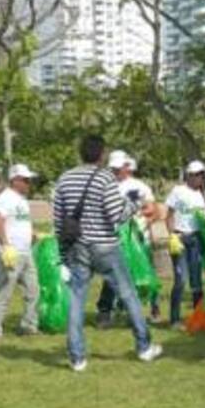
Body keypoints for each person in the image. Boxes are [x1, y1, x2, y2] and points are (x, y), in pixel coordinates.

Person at [52, 133, 162, 371]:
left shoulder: (65, 179)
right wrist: (135, 203)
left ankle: (77, 357)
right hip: (105, 245)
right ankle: (143, 347)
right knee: (127, 294)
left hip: (77, 246)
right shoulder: (104, 178)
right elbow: (117, 215)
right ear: (102, 155)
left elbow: (59, 221)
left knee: (77, 298)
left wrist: (62, 257)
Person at [98, 151, 159, 326]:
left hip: (136, 238)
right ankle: (105, 311)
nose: (117, 172)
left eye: (120, 168)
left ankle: (147, 309)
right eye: (113, 169)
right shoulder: (105, 186)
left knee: (141, 274)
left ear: (126, 167)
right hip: (113, 237)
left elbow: (151, 209)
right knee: (111, 275)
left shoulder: (139, 186)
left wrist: (135, 211)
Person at [0, 163, 40, 339]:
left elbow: (23, 221)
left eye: (29, 180)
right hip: (11, 253)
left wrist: (33, 234)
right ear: (15, 180)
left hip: (26, 252)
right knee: (5, 291)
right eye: (25, 180)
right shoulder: (5, 198)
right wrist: (5, 246)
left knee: (33, 290)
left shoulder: (22, 200)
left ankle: (29, 325)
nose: (29, 183)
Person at [165, 161, 205, 327]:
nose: (200, 178)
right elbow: (168, 215)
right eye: (197, 174)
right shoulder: (178, 191)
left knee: (197, 280)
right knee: (180, 280)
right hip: (180, 238)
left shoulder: (203, 194)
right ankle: (175, 319)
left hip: (196, 239)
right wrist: (172, 236)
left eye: (202, 175)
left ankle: (199, 318)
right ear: (190, 175)